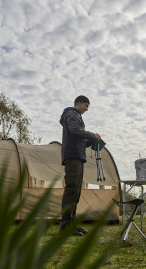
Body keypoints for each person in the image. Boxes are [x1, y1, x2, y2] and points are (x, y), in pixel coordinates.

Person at [59, 95, 101, 236]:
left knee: (76, 192)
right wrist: (91, 135)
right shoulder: (71, 113)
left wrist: (92, 142)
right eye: (86, 106)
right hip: (72, 156)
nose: (87, 109)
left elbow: (78, 138)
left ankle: (72, 224)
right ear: (79, 103)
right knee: (71, 190)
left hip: (78, 156)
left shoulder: (76, 116)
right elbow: (75, 131)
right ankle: (65, 226)